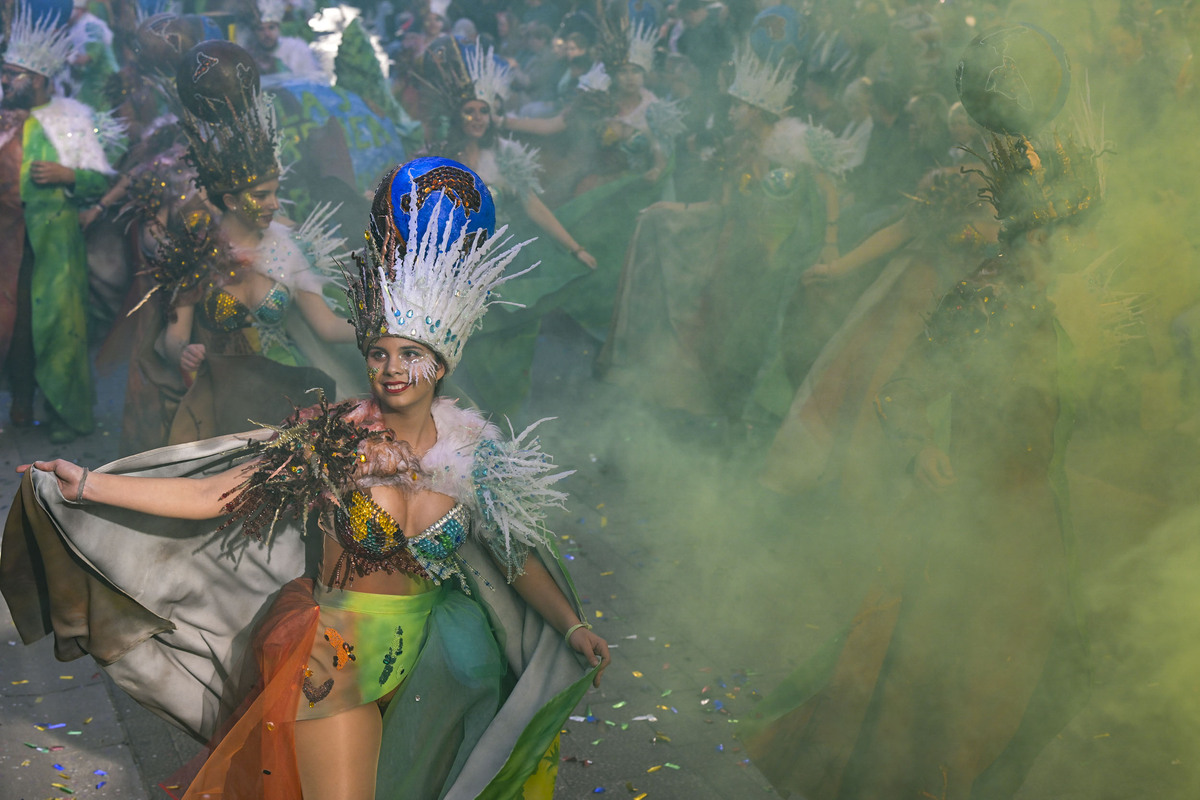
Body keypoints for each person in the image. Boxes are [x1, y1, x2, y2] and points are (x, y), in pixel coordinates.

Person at [2, 157, 611, 800]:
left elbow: (511, 556)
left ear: (441, 365)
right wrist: (91, 487)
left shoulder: (474, 454)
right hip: (335, 661)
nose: (391, 369)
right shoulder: (334, 434)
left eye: (410, 355)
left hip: (438, 663)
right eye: (378, 352)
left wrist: (572, 626)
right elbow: (218, 493)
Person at [743, 131, 1100, 800]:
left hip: (1027, 515)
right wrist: (927, 444)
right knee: (933, 672)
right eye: (1066, 237)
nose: (1075, 254)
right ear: (1034, 235)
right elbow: (905, 390)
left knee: (1043, 669)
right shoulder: (984, 296)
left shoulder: (1048, 309)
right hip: (971, 516)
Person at [599, 47, 857, 435]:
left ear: (756, 110)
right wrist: (674, 212)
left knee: (760, 328)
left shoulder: (793, 142)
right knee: (722, 317)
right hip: (742, 245)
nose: (732, 112)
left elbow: (829, 190)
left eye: (738, 107)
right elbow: (723, 204)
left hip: (786, 250)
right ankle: (723, 404)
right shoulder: (739, 146)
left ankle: (750, 413)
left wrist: (831, 241)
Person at [149, 40, 360, 444]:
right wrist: (185, 354)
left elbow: (327, 326)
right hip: (223, 400)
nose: (274, 205)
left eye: (275, 193)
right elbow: (171, 337)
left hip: (291, 395)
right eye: (261, 196)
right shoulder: (198, 251)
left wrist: (386, 328)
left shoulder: (285, 248)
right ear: (229, 200)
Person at [0, 4, 122, 443]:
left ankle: (65, 415)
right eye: (5, 73)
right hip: (8, 240)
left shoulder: (72, 116)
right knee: (14, 327)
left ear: (42, 80)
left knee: (58, 326)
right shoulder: (3, 116)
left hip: (54, 240)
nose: (6, 81)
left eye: (16, 75)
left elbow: (99, 177)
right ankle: (19, 402)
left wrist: (66, 174)